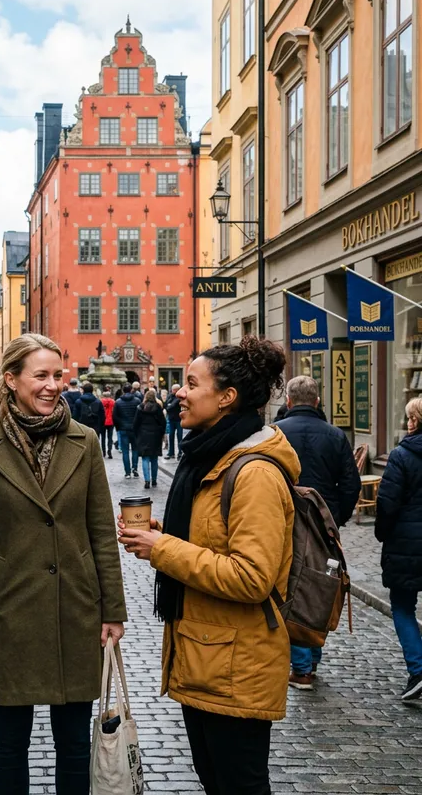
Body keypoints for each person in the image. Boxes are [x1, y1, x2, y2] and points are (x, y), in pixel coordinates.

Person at [118, 336, 300, 795]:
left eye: (191, 383)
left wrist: (164, 549)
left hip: (236, 663)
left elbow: (251, 577)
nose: (178, 391)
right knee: (218, 783)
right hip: (208, 657)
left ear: (226, 398)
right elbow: (217, 540)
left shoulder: (254, 472)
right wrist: (166, 533)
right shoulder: (212, 455)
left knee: (239, 785)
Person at [0, 333, 126, 795]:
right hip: (8, 612)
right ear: (11, 380)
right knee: (10, 742)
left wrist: (113, 610)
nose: (53, 385)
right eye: (41, 376)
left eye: (57, 375)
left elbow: (100, 533)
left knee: (73, 743)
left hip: (75, 608)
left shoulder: (84, 440)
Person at [277, 375, 361, 690]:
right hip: (323, 523)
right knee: (320, 583)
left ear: (288, 401)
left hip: (287, 520)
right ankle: (310, 659)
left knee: (293, 585)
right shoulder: (335, 435)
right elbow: (351, 483)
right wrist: (334, 518)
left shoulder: (276, 433)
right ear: (317, 401)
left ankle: (302, 667)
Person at [375, 396, 422, 702]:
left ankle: (418, 671)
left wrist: (382, 533)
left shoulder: (402, 456)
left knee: (403, 606)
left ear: (414, 421)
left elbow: (387, 503)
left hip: (407, 544)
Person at [133, 390, 166, 490]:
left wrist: (137, 434)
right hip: (155, 434)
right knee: (154, 458)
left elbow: (135, 423)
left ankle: (147, 480)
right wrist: (161, 433)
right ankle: (154, 479)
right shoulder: (158, 408)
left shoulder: (140, 408)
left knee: (145, 458)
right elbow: (163, 422)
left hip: (143, 434)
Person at [113, 383, 140, 479]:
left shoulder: (118, 402)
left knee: (125, 451)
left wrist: (118, 427)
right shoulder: (137, 401)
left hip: (123, 429)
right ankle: (135, 468)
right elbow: (139, 415)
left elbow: (115, 416)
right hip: (134, 429)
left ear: (123, 390)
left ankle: (127, 472)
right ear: (131, 390)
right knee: (135, 449)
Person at [165, 383, 183, 459]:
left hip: (179, 420)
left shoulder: (180, 398)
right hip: (171, 419)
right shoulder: (170, 396)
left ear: (176, 390)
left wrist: (169, 405)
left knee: (179, 437)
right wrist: (169, 405)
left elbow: (171, 406)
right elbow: (166, 405)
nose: (171, 391)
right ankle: (171, 453)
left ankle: (180, 453)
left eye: (173, 390)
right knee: (171, 436)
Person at [100, 388, 115, 459]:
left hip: (103, 421)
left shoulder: (101, 402)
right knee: (110, 437)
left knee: (103, 437)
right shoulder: (113, 402)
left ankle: (103, 451)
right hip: (111, 421)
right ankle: (109, 450)